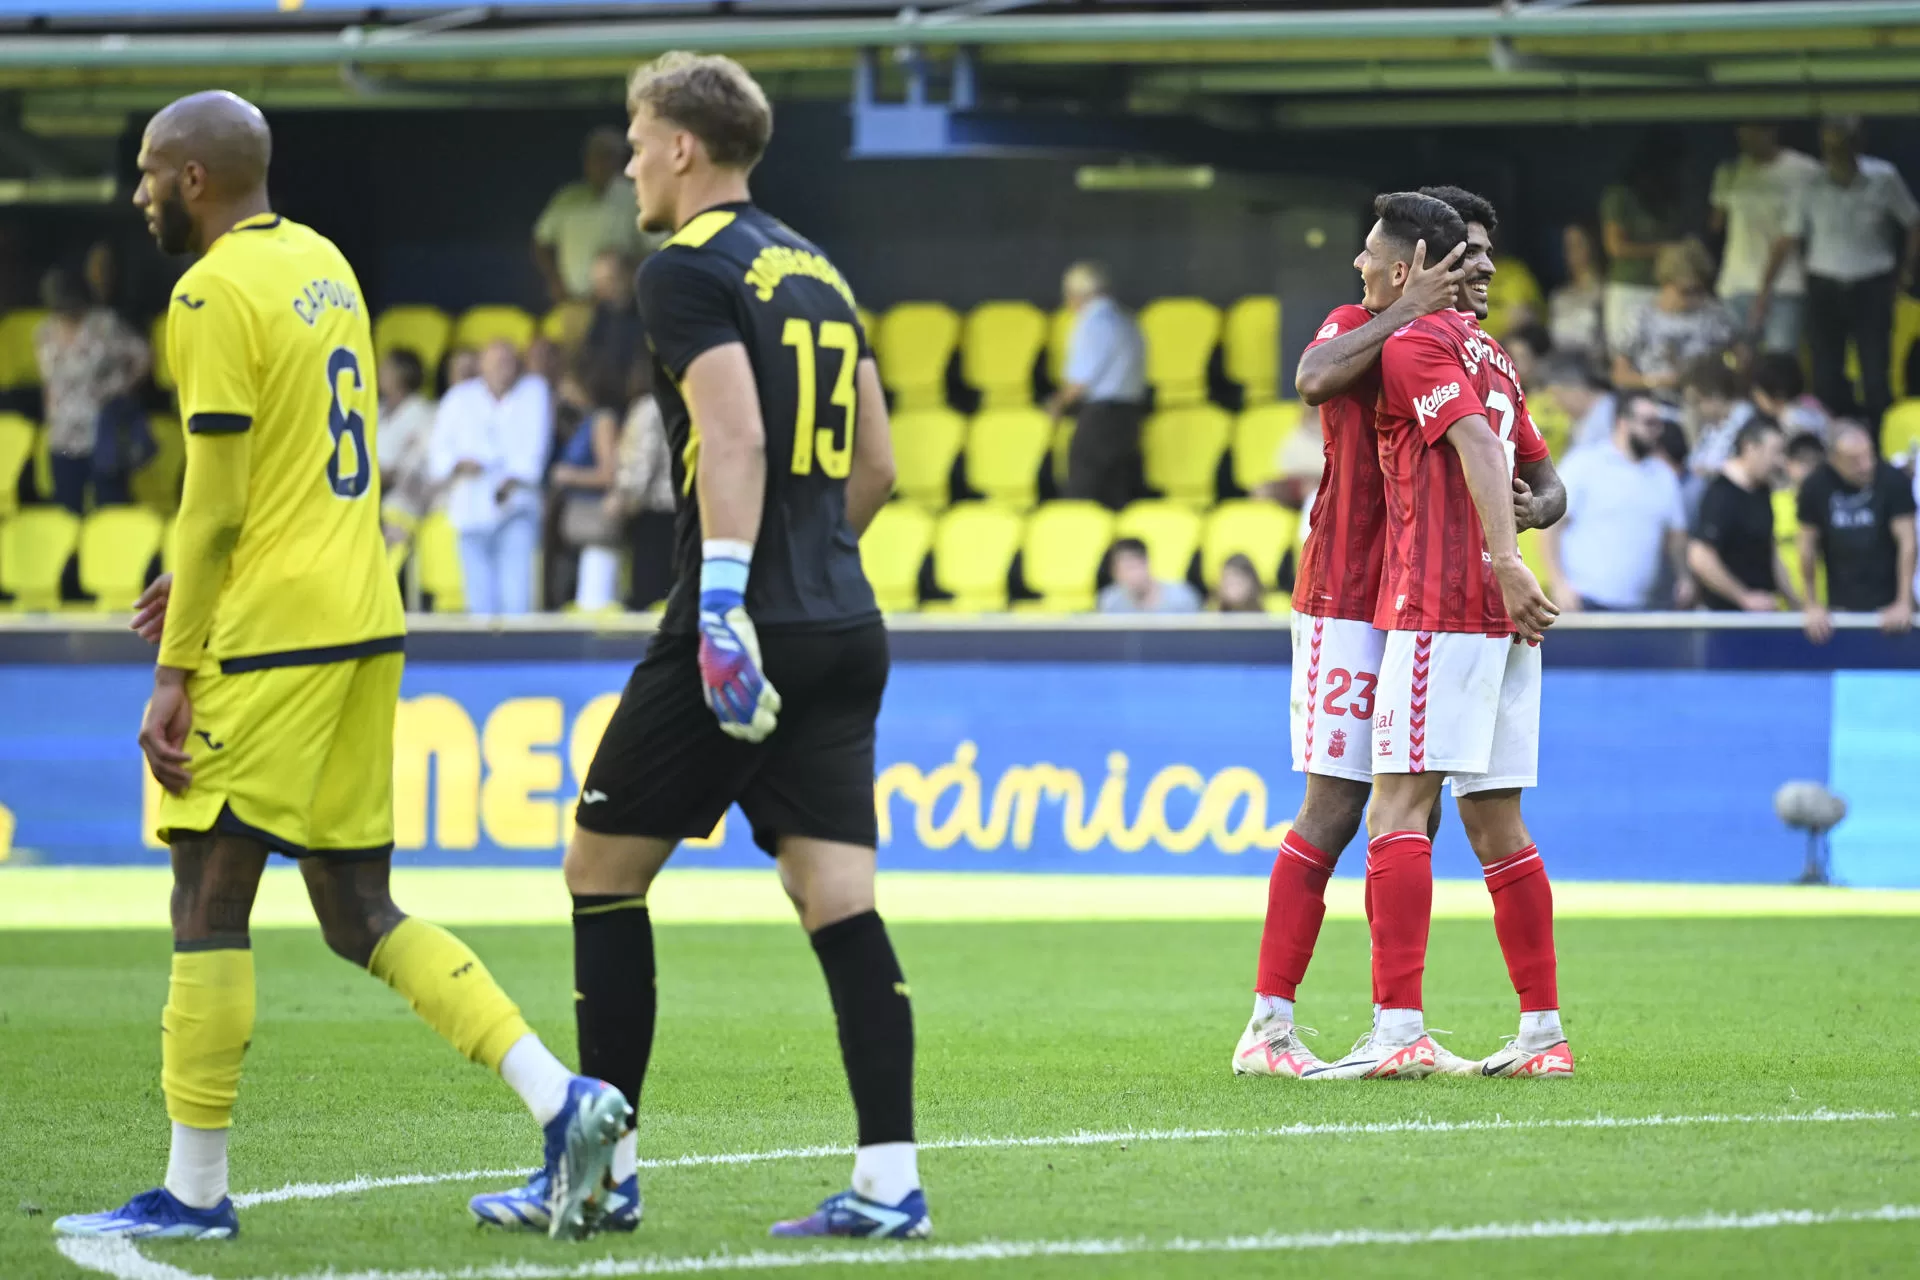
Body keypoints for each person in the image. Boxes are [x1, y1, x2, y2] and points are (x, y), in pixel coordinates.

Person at [54, 90, 624, 1246]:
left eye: (151, 173)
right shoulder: (324, 267)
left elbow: (213, 494)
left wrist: (177, 663)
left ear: (195, 181)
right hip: (364, 614)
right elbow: (291, 466)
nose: (139, 193)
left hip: (272, 635)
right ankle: (562, 1097)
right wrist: (203, 574)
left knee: (206, 889)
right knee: (357, 907)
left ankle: (196, 1191)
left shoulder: (207, 290)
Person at [470, 51, 923, 1242]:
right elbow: (875, 465)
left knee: (600, 870)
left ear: (681, 146)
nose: (624, 161)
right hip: (842, 616)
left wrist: (730, 597)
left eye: (633, 137)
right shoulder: (818, 266)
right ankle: (888, 1183)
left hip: (738, 625)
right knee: (839, 898)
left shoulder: (684, 269)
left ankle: (605, 1173)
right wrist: (808, 563)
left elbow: (733, 438)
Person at [1318, 184, 1571, 1083]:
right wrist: (1525, 530)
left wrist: (1505, 558)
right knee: (1498, 819)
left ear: (1415, 266)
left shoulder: (1419, 343)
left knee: (1393, 809)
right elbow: (1542, 475)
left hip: (1440, 604)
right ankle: (1542, 1034)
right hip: (1502, 626)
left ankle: (1398, 1030)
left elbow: (1477, 450)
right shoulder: (1494, 357)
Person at [1235, 190, 1471, 1080]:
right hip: (1343, 594)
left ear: (1406, 263)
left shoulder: (1452, 345)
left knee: (1416, 807)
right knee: (1335, 806)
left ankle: (1396, 1022)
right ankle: (1268, 1024)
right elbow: (1310, 379)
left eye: (1372, 254)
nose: (1358, 266)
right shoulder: (1355, 322)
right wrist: (1403, 310)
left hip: (1418, 599)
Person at [1759, 116, 1920, 434]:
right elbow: (1789, 237)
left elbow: (1913, 222)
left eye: (1843, 144)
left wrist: (1907, 270)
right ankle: (1830, 441)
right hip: (1824, 286)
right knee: (1825, 373)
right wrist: (1765, 290)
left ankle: (1879, 443)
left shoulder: (1883, 177)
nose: (1836, 152)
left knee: (1875, 373)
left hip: (1872, 284)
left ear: (1857, 143)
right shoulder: (1810, 184)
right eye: (1830, 146)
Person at [428, 339, 550, 615]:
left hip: (516, 506)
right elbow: (439, 454)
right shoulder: (459, 397)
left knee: (516, 601)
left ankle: (519, 658)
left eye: (507, 362)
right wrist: (460, 463)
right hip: (471, 507)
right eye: (495, 362)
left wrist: (510, 478)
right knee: (480, 605)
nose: (501, 369)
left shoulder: (534, 392)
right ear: (480, 365)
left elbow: (534, 453)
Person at [1542, 390, 1692, 612]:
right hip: (1585, 600)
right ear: (1623, 423)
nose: (1657, 431)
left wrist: (1684, 576)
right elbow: (1550, 526)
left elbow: (1676, 534)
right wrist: (1558, 583)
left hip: (1642, 606)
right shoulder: (1585, 464)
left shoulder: (1663, 475)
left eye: (1659, 424)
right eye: (1649, 423)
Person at [33, 266, 149, 512]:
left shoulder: (104, 325)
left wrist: (120, 388)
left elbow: (142, 357)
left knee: (109, 508)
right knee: (66, 509)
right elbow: (49, 381)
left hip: (102, 432)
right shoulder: (44, 332)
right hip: (62, 436)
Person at [1798, 421, 1917, 640]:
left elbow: (1908, 543)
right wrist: (1812, 604)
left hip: (1888, 603)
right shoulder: (1815, 487)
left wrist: (1903, 601)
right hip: (1840, 606)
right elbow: (1806, 548)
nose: (1866, 465)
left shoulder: (1893, 481)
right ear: (1834, 459)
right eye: (1855, 460)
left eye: (1869, 455)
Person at [1711, 124, 1822, 353]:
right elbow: (1716, 223)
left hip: (1786, 287)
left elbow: (1804, 230)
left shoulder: (1805, 170)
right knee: (1737, 364)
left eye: (1753, 132)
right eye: (1741, 134)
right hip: (1736, 285)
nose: (1746, 139)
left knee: (1779, 364)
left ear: (1771, 131)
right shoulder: (1729, 171)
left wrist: (1765, 290)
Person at [1048, 261, 1146, 511]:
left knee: (1083, 489)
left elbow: (1080, 379)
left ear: (1075, 295)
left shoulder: (1093, 323)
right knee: (1116, 492)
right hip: (1129, 415)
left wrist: (1057, 404)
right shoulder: (1127, 321)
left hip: (1101, 416)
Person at [1689, 416, 1797, 612]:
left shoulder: (1763, 492)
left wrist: (1796, 605)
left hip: (1763, 614)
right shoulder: (1720, 494)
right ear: (1750, 448)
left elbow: (1770, 552)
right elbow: (1700, 557)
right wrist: (1743, 597)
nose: (1779, 462)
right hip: (1727, 620)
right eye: (1775, 452)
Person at [1600, 128, 1690, 354]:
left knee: (1658, 352)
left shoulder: (1669, 198)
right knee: (1623, 351)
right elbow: (1615, 246)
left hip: (1662, 288)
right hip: (1628, 287)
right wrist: (1663, 249)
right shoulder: (1620, 195)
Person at [533, 126, 646, 304]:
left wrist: (626, 270)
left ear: (620, 161)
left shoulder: (636, 196)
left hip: (621, 305)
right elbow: (541, 241)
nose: (601, 163)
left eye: (608, 156)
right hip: (573, 302)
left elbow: (655, 249)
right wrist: (554, 279)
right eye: (595, 156)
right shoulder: (568, 198)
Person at [549, 358, 626, 611]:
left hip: (597, 523)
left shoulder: (603, 420)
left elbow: (609, 473)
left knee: (596, 602)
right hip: (581, 526)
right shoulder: (583, 420)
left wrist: (569, 475)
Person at [1612, 240, 1735, 394]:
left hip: (1706, 402)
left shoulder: (1714, 315)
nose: (1695, 298)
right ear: (1665, 283)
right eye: (1687, 291)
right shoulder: (1639, 317)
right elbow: (1620, 376)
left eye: (1700, 290)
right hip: (1652, 403)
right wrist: (1658, 381)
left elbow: (1734, 363)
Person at [607, 369, 677, 610]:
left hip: (654, 510)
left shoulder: (649, 407)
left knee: (648, 595)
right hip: (684, 508)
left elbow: (642, 462)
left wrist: (625, 498)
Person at [375, 348, 437, 528]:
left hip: (402, 496)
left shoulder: (422, 412)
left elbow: (417, 462)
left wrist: (388, 474)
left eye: (386, 368)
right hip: (369, 488)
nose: (379, 372)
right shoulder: (376, 409)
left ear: (402, 374)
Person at [1546, 223, 1606, 361]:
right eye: (1567, 247)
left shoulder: (1605, 293)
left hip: (1594, 370)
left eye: (1578, 244)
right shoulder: (1558, 297)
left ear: (1592, 246)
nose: (1571, 252)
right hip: (1560, 368)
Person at [1096, 537, 1200, 614]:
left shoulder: (1182, 598)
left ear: (1146, 563)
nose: (1129, 576)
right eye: (1121, 571)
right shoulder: (1109, 601)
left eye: (1132, 567)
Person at [1540, 351, 1616, 453]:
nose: (1556, 403)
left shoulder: (1610, 415)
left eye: (1558, 396)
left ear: (1575, 389)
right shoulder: (1587, 417)